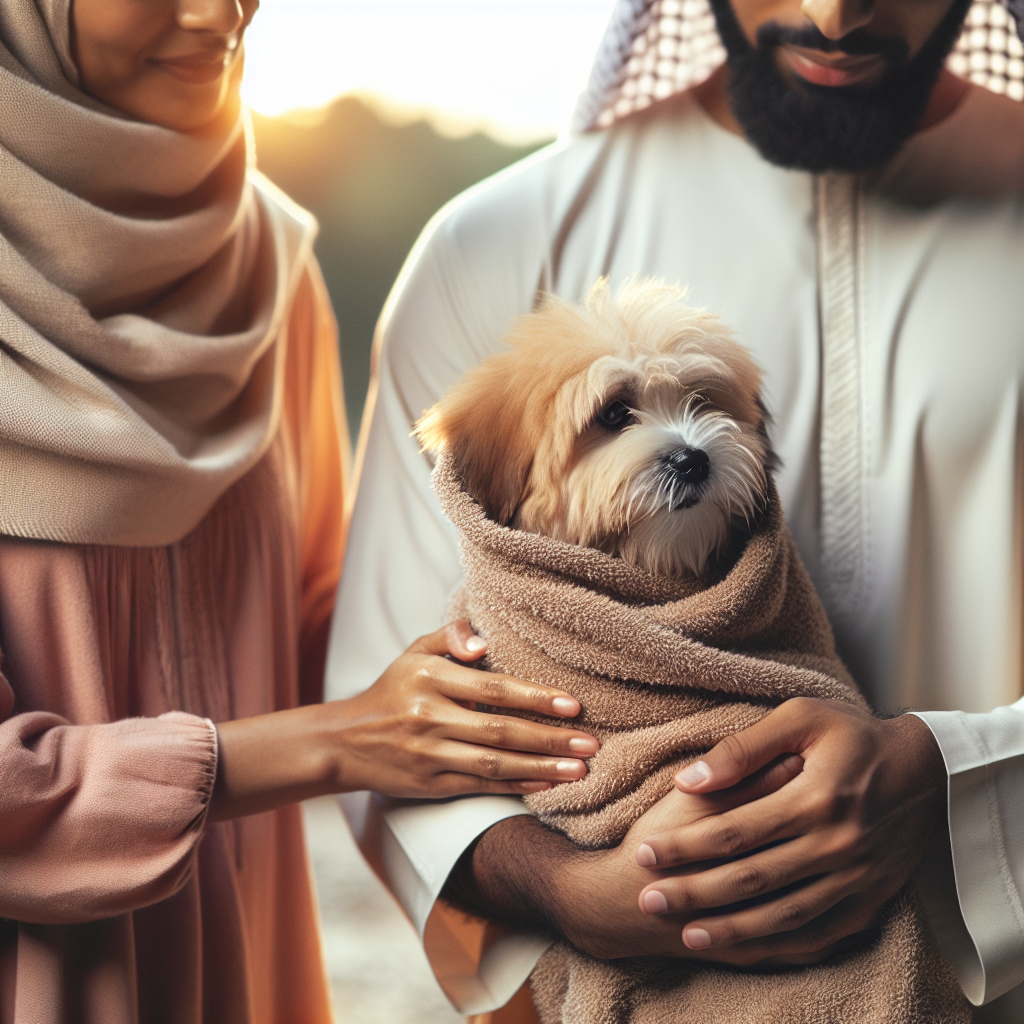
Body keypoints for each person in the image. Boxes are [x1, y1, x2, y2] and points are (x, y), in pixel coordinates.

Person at [327, 0, 1024, 1019]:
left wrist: (960, 782)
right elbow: (385, 714)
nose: (831, 12)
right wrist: (563, 885)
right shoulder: (493, 246)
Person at [0, 2, 602, 1021]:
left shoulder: (265, 272)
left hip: (245, 973)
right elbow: (347, 720)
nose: (219, 12)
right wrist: (327, 742)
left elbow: (332, 634)